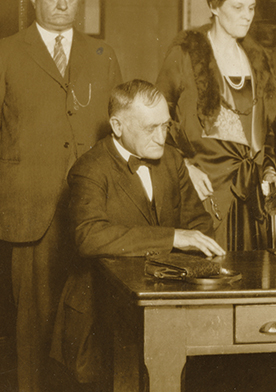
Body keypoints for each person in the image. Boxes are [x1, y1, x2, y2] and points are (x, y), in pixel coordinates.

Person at [0, 0, 122, 392]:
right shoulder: (3, 52)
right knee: (33, 327)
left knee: (92, 322)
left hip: (91, 211)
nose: (61, 4)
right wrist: (19, 175)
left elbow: (117, 127)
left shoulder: (101, 54)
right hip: (29, 209)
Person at [50, 80, 222, 385]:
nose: (161, 137)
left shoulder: (171, 160)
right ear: (117, 126)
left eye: (165, 126)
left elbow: (199, 224)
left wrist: (185, 248)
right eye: (150, 128)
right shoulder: (89, 169)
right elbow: (88, 236)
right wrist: (173, 238)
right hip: (101, 316)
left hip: (166, 304)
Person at [156, 0, 276, 251]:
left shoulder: (257, 58)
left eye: (251, 8)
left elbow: (266, 130)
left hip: (251, 195)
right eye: (237, 7)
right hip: (205, 192)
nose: (247, 16)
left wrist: (269, 170)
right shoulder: (185, 56)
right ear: (214, 7)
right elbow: (157, 123)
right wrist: (184, 167)